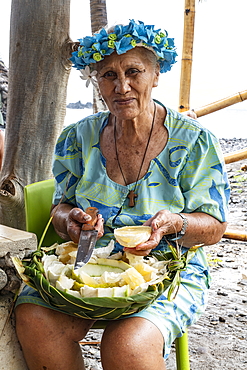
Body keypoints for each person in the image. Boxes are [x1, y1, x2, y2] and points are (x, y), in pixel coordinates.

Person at [15, 20, 230, 370]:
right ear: (96, 81)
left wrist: (175, 223)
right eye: (108, 75)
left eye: (134, 71)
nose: (122, 86)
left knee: (126, 346)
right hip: (89, 261)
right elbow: (60, 208)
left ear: (156, 74)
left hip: (167, 267)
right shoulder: (77, 139)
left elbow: (215, 227)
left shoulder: (194, 141)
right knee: (34, 317)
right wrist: (72, 221)